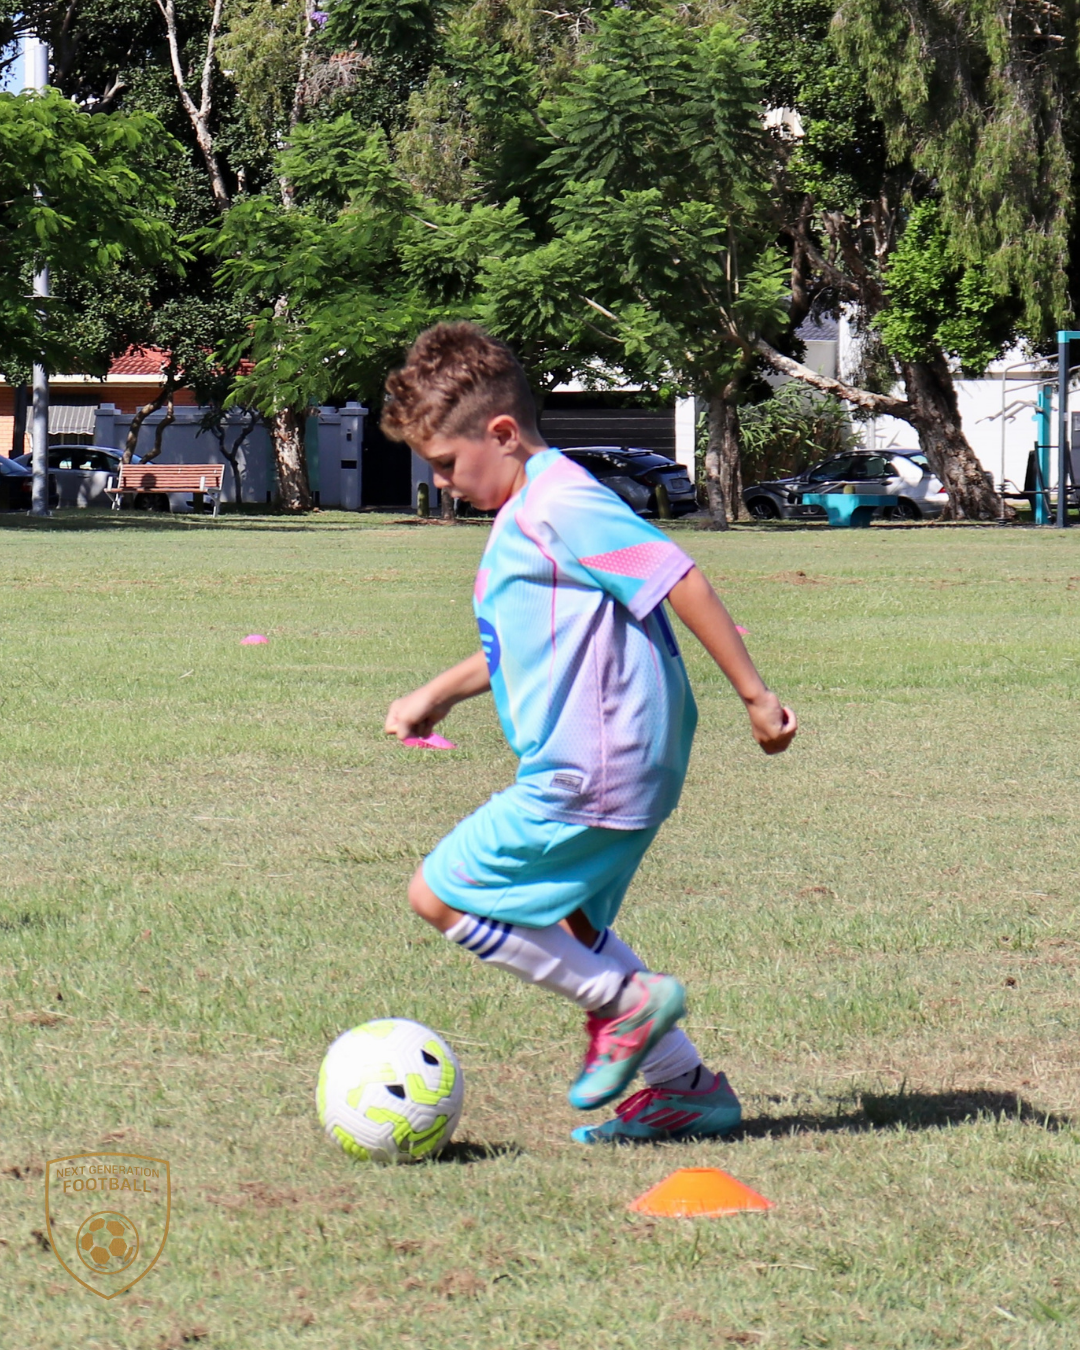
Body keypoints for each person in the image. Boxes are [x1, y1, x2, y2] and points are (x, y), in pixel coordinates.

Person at [382, 322, 797, 1143]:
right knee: (570, 923)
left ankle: (625, 1003)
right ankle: (687, 1087)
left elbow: (673, 574)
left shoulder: (563, 499)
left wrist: (756, 694)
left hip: (591, 764)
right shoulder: (530, 510)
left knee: (438, 892)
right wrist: (441, 691)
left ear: (501, 433)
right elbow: (533, 634)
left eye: (445, 465)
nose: (440, 485)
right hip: (615, 759)